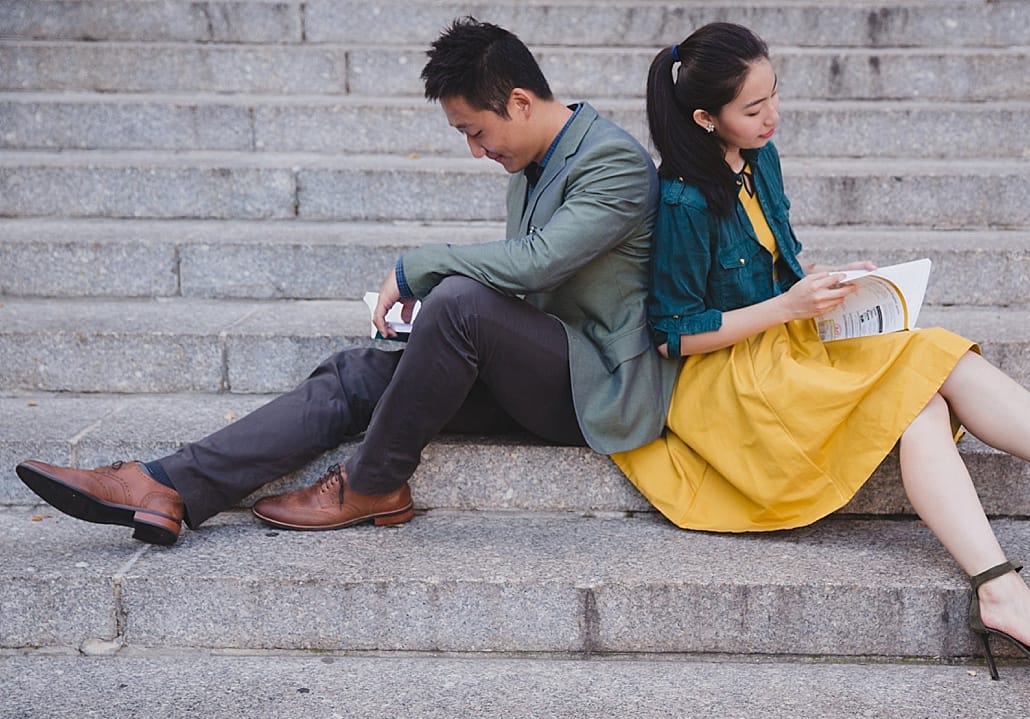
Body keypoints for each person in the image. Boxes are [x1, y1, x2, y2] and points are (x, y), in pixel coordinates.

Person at [611, 22, 1030, 679]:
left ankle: (1017, 571)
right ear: (706, 118)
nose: (772, 117)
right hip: (729, 383)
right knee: (927, 365)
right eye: (753, 109)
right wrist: (788, 306)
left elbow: (774, 265)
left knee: (927, 386)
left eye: (775, 96)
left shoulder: (761, 159)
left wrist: (837, 281)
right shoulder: (681, 197)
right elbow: (675, 332)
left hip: (784, 344)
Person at [15, 18, 675, 546]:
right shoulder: (532, 164)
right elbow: (525, 286)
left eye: (476, 131)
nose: (476, 150)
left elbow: (536, 264)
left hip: (594, 386)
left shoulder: (612, 160)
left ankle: (374, 481)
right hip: (534, 363)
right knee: (359, 371)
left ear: (521, 101)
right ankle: (166, 484)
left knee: (460, 302)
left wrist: (418, 267)